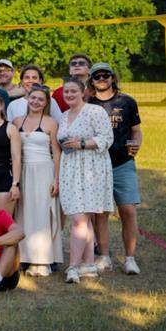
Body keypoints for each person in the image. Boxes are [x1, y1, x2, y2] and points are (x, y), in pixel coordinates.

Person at [57, 76, 114, 283]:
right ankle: (89, 264)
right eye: (66, 92)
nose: (69, 95)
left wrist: (82, 143)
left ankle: (72, 267)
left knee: (79, 219)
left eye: (73, 91)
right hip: (71, 170)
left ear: (83, 92)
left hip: (92, 169)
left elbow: (107, 138)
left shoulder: (95, 111)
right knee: (83, 219)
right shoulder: (63, 116)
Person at [87, 63, 142, 275]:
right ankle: (104, 256)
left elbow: (136, 131)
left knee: (128, 210)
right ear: (91, 80)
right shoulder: (88, 104)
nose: (101, 78)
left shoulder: (127, 102)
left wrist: (137, 144)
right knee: (100, 213)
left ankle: (130, 259)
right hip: (97, 164)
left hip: (122, 163)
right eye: (97, 76)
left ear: (113, 78)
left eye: (105, 75)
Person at [12, 85, 63, 277]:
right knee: (23, 213)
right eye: (33, 98)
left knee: (42, 213)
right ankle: (24, 257)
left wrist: (56, 179)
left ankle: (43, 260)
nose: (35, 102)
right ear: (28, 98)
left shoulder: (51, 123)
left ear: (46, 102)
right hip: (22, 171)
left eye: (40, 99)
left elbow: (57, 153)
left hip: (43, 170)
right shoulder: (17, 121)